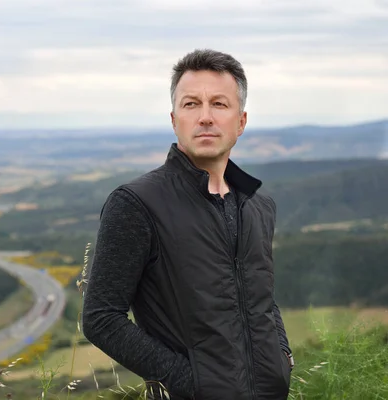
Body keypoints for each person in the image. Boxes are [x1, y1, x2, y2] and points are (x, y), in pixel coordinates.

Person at [81, 49, 294, 400]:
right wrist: (191, 383)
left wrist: (282, 359)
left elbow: (261, 298)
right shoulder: (136, 204)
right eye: (191, 104)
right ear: (174, 119)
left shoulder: (259, 204)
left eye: (220, 105)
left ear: (240, 122)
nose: (205, 117)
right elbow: (101, 318)